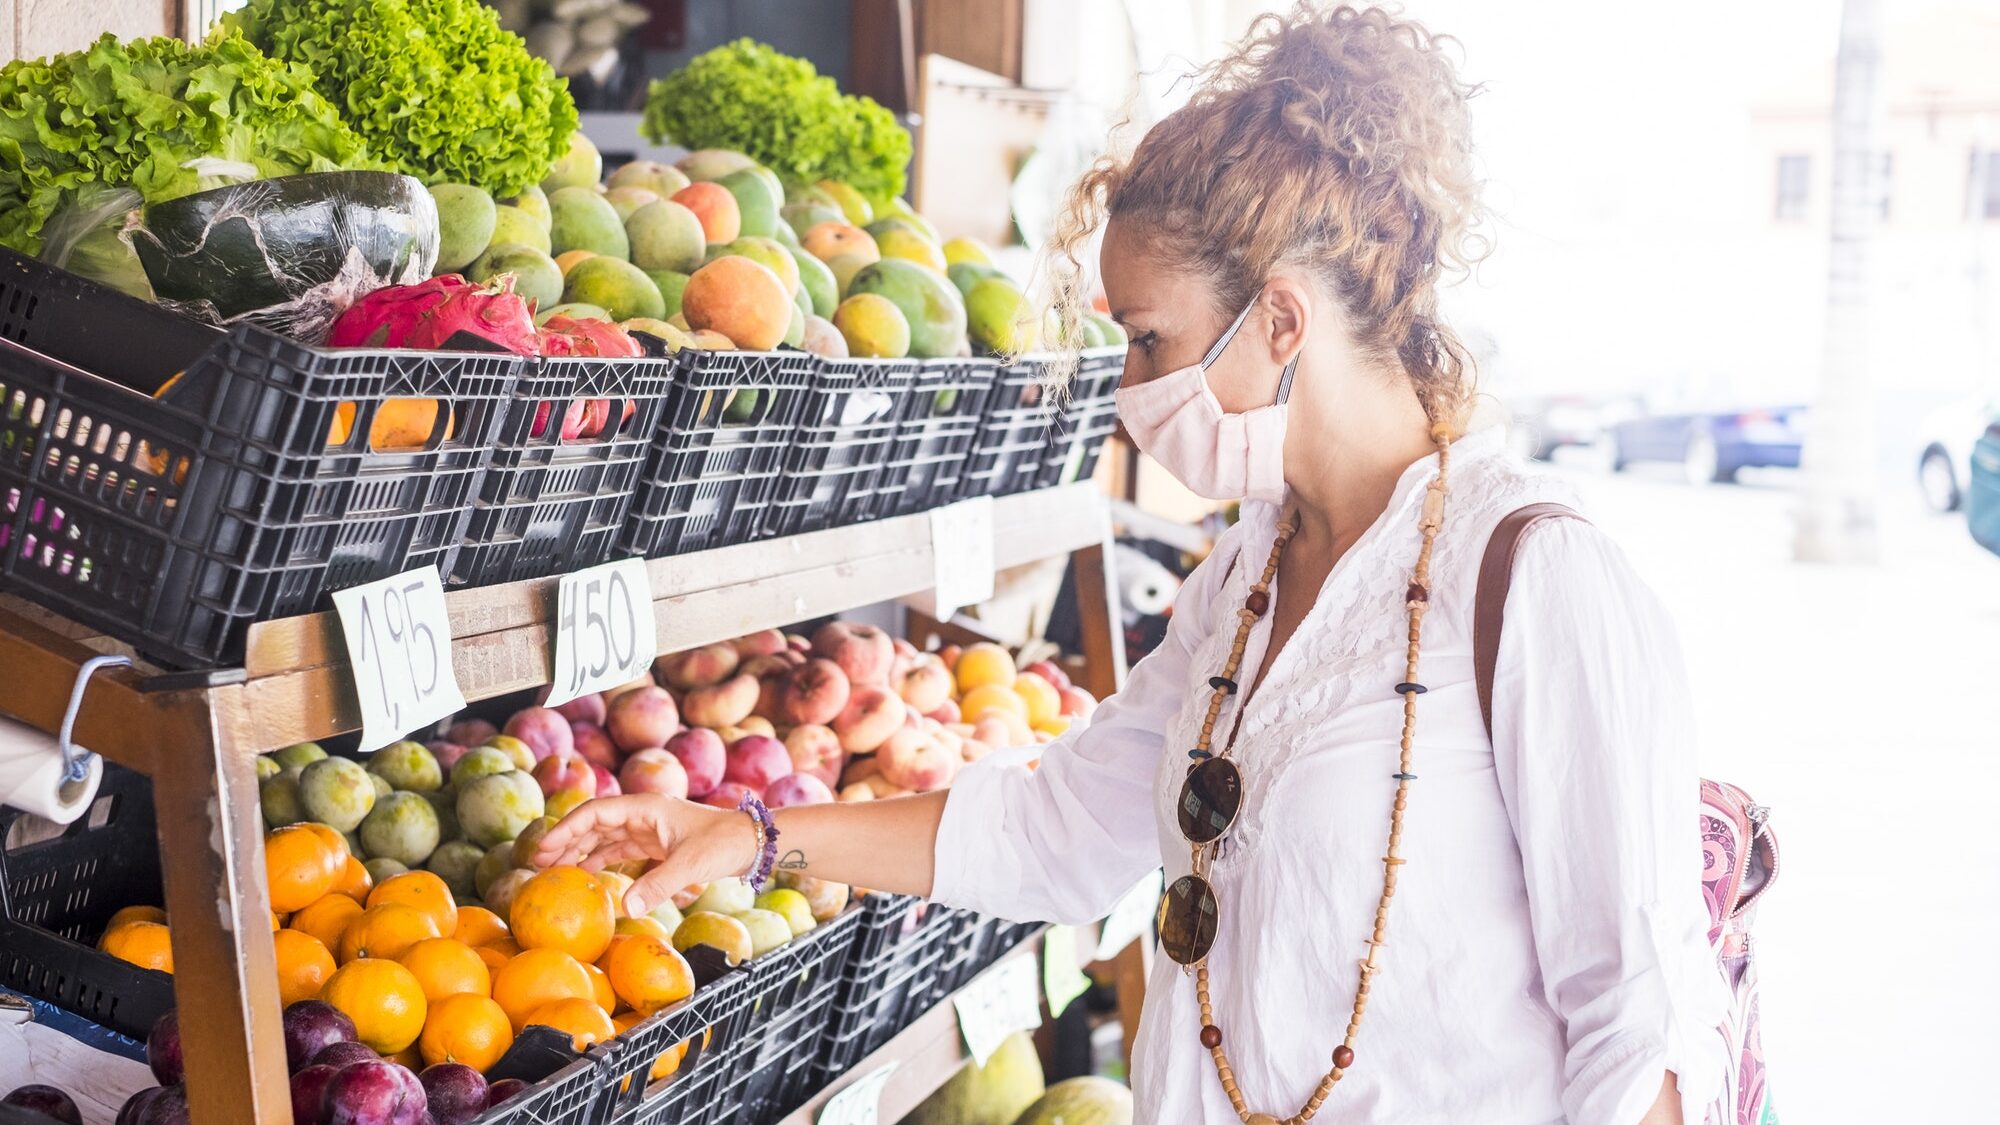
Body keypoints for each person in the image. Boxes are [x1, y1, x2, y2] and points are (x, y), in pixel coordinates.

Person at [536, 4, 1728, 1121]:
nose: (1127, 392)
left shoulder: (1531, 581)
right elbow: (1060, 831)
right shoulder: (1246, 577)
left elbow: (1641, 1018)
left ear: (1277, 320)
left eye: (1148, 339)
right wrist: (748, 834)